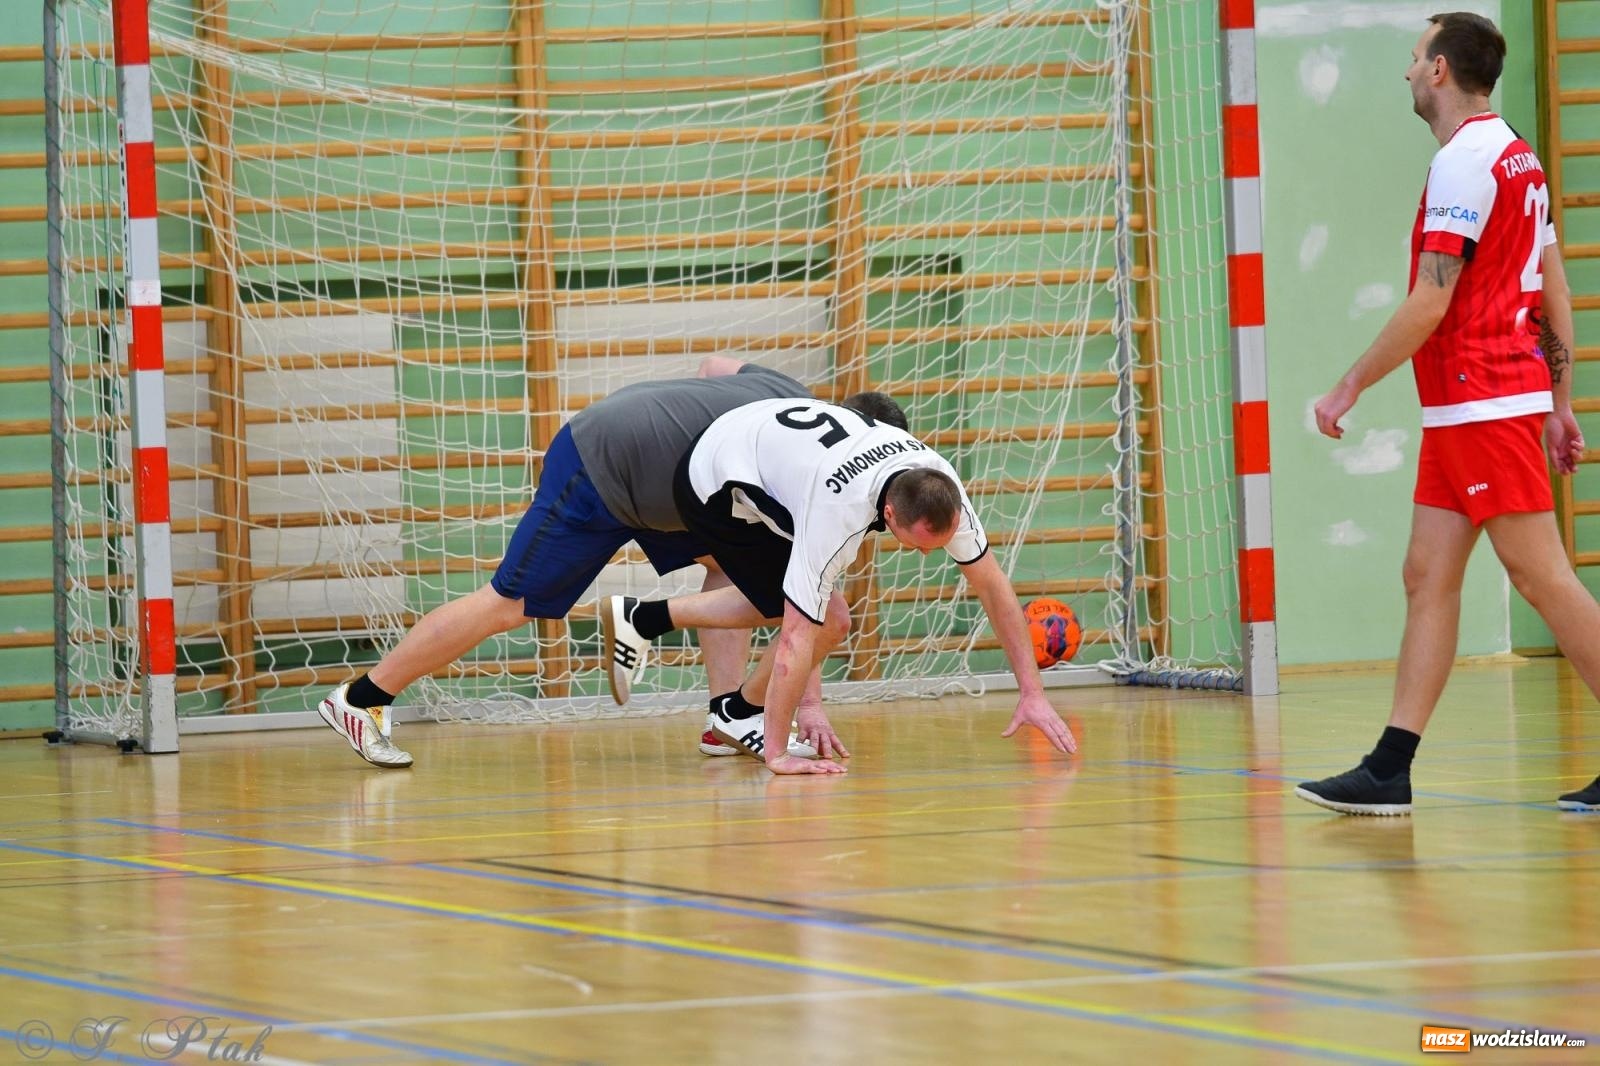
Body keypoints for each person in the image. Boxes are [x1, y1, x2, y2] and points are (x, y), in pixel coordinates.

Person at [1296, 12, 1600, 815]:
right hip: (1479, 404)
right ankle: (1389, 769)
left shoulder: (1467, 164)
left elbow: (1432, 300)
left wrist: (1349, 385)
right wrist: (1561, 403)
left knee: (1543, 580)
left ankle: (1390, 766)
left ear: (1439, 71)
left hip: (1484, 399)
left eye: (1413, 57)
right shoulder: (1521, 159)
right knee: (1426, 576)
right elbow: (1555, 290)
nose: (1405, 71)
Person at [316, 358, 903, 768]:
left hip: (658, 469)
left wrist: (676, 418)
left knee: (733, 565)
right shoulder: (814, 475)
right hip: (608, 468)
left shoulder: (789, 393)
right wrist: (810, 704)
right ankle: (362, 698)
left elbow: (712, 365)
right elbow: (807, 603)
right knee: (509, 604)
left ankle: (726, 721)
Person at [601, 395, 1080, 775]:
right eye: (920, 545)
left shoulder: (940, 482)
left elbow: (993, 588)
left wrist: (1032, 691)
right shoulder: (837, 513)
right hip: (715, 479)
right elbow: (795, 638)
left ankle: (645, 620)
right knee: (823, 617)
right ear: (888, 514)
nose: (932, 555)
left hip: (769, 443)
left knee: (815, 610)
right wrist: (777, 755)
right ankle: (737, 714)